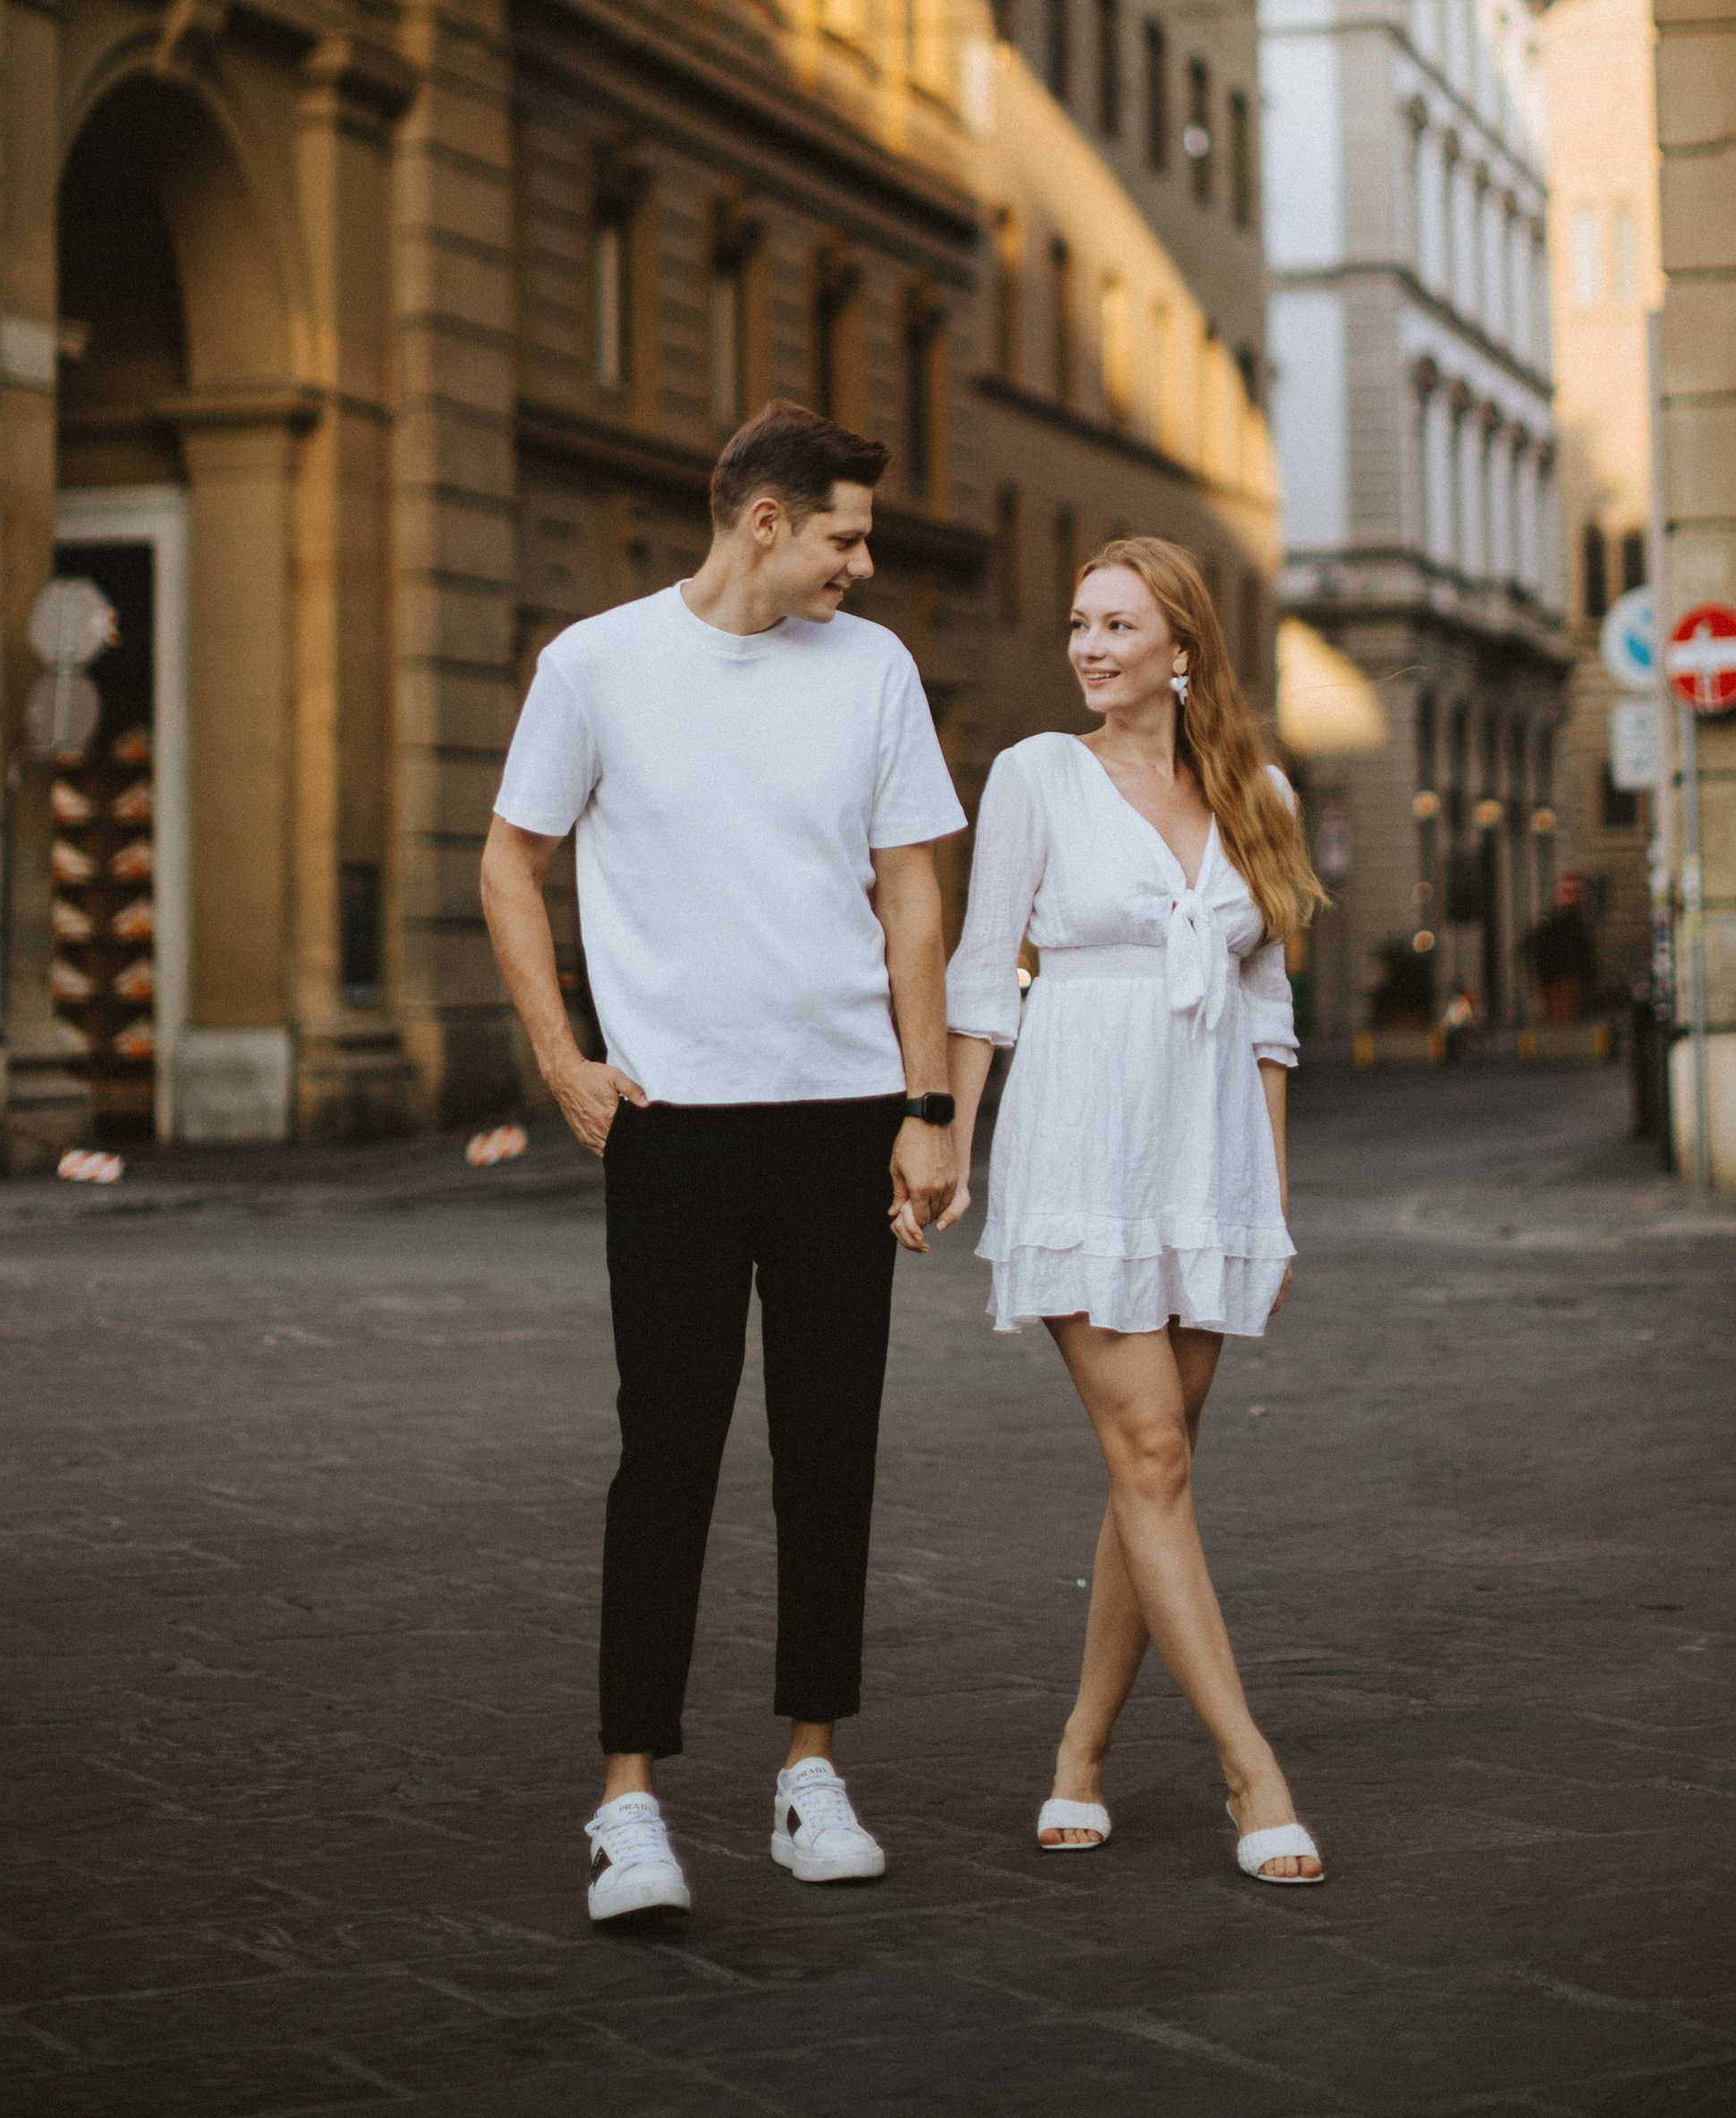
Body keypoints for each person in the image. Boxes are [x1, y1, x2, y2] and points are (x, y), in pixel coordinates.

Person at [481, 400, 968, 1923]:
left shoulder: (873, 673)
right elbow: (509, 858)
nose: (863, 564)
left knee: (830, 1452)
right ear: (767, 523)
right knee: (667, 1455)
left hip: (843, 1117)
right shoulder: (598, 666)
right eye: (844, 534)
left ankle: (810, 1772)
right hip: (674, 1126)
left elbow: (911, 902)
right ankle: (630, 1803)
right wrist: (562, 1061)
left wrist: (931, 1106)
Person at [942, 535, 1328, 1887]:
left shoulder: (1256, 791)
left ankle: (1081, 1757)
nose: (1090, 648)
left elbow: (1269, 1017)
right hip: (1081, 1150)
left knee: (1146, 1472)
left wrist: (1266, 1204)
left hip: (1207, 1164)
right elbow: (986, 971)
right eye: (1078, 625)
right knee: (1153, 1450)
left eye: (1117, 625)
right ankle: (1250, 1770)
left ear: (1182, 647)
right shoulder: (1036, 776)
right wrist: (945, 1134)